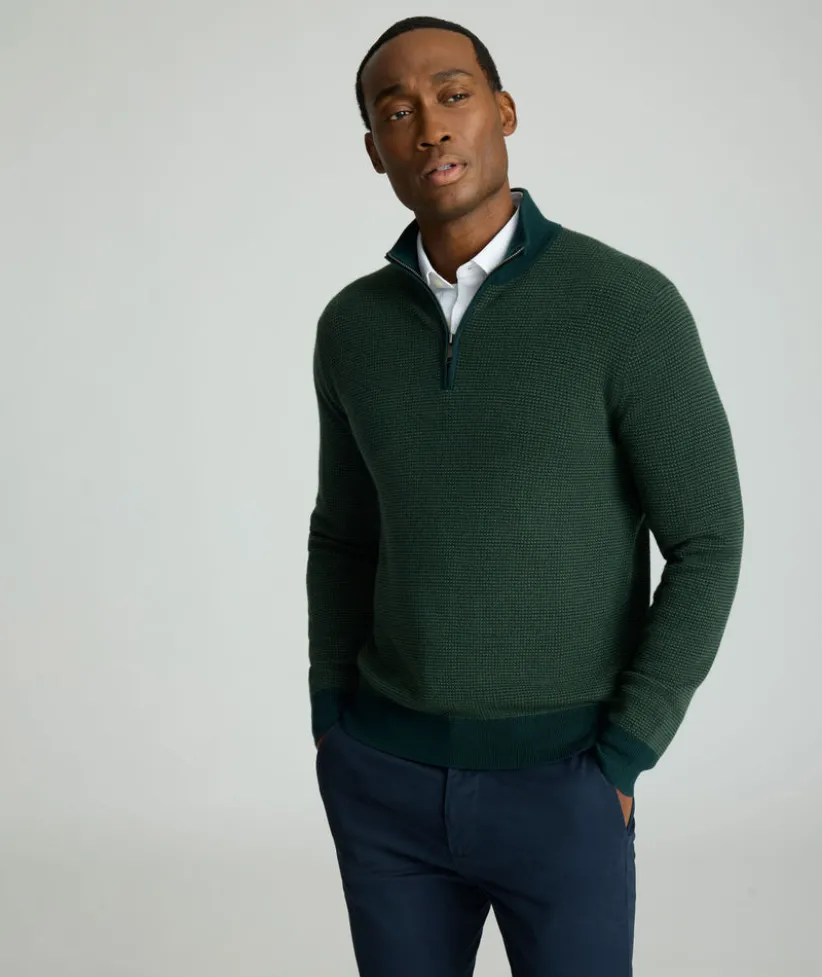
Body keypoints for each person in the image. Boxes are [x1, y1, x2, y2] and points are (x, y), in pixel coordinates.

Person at [305, 15, 744, 977]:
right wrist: (331, 715)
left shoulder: (625, 306)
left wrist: (626, 750)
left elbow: (709, 539)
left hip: (566, 782)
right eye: (397, 111)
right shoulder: (352, 328)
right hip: (384, 779)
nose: (430, 126)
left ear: (503, 111)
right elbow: (343, 535)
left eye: (454, 95)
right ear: (375, 150)